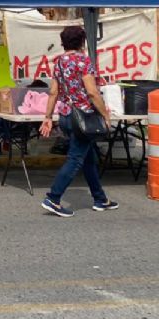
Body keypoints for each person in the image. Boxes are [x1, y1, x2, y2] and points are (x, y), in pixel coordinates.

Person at [39, 26, 118, 218]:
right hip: (83, 117)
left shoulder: (59, 62)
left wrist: (47, 117)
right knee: (76, 158)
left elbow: (53, 92)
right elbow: (92, 91)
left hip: (66, 115)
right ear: (82, 42)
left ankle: (100, 198)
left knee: (88, 158)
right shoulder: (83, 61)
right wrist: (105, 115)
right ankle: (53, 197)